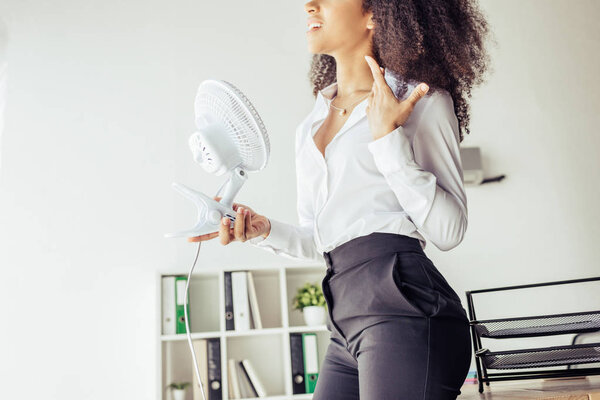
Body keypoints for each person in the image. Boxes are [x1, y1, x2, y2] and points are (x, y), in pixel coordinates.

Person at [189, 0, 492, 398]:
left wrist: (387, 139)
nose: (309, 5)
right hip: (343, 323)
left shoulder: (420, 102)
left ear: (375, 14)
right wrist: (264, 231)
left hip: (405, 311)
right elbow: (325, 239)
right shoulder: (310, 125)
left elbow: (449, 230)